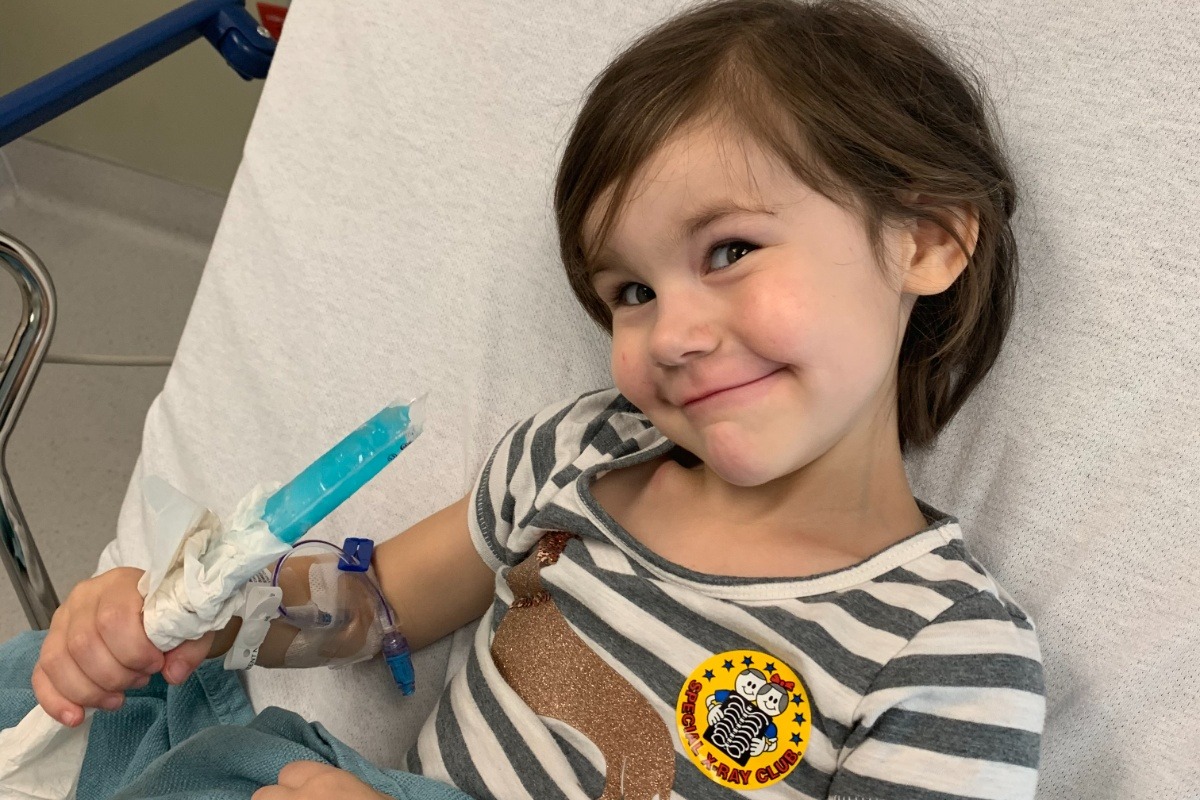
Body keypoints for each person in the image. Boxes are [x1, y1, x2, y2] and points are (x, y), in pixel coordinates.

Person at [28, 0, 1045, 797]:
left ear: (926, 239)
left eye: (729, 251)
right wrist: (209, 615)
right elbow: (375, 603)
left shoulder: (944, 651)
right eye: (631, 293)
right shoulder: (579, 457)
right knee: (128, 704)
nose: (672, 333)